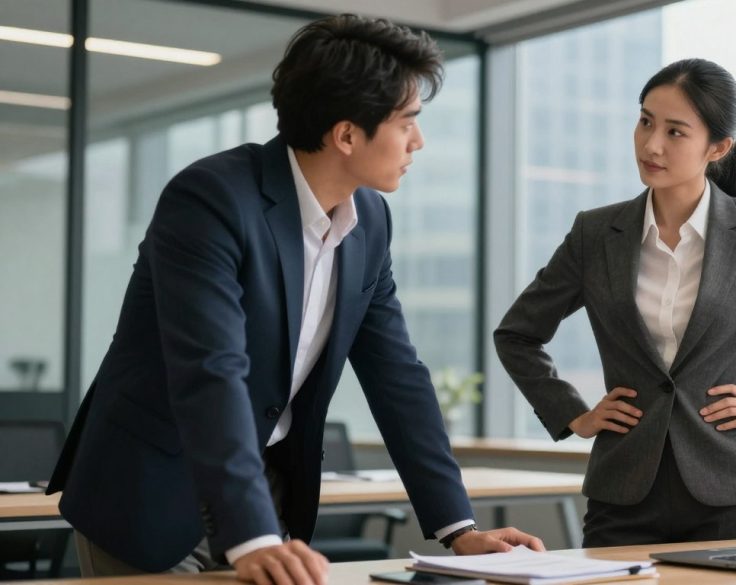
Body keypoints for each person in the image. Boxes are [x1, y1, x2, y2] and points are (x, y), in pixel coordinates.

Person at [48, 14, 543, 583]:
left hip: (265, 489)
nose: (419, 141)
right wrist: (253, 534)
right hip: (151, 487)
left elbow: (396, 374)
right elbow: (212, 370)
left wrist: (457, 527)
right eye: (408, 121)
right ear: (347, 134)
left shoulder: (369, 220)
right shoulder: (210, 199)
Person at [493, 58, 736, 548]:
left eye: (675, 132)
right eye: (645, 121)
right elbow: (516, 334)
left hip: (734, 496)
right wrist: (573, 414)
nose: (651, 144)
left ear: (717, 147)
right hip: (622, 496)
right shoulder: (595, 235)